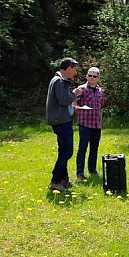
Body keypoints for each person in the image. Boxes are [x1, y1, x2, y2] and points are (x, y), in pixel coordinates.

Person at [46, 57, 83, 191]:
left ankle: (63, 180)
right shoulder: (58, 81)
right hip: (60, 121)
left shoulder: (60, 80)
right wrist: (75, 94)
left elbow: (61, 103)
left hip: (62, 119)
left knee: (63, 151)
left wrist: (73, 108)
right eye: (74, 70)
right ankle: (55, 181)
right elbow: (63, 100)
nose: (75, 73)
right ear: (68, 68)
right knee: (67, 152)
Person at [75, 66, 104, 181]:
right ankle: (80, 172)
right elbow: (73, 104)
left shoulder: (100, 91)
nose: (92, 78)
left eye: (94, 76)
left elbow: (100, 105)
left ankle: (92, 169)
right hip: (85, 123)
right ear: (86, 76)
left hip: (97, 124)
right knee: (82, 148)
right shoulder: (80, 89)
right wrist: (78, 107)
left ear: (98, 78)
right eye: (89, 75)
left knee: (94, 148)